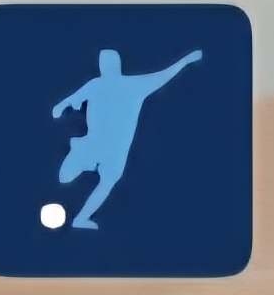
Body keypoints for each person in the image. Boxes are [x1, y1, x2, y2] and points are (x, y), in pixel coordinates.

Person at [54, 46, 205, 231]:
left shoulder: (133, 85)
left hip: (114, 150)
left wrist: (185, 61)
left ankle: (80, 219)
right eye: (104, 64)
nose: (105, 68)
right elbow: (71, 99)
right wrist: (62, 107)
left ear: (115, 66)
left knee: (107, 181)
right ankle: (80, 216)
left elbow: (164, 75)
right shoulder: (97, 85)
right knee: (65, 177)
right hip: (94, 143)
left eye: (108, 64)